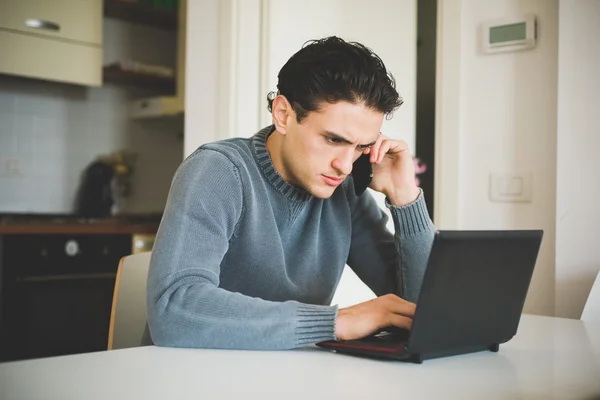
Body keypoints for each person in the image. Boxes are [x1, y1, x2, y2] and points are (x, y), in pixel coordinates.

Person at [146, 36, 436, 350]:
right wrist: (335, 323)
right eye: (333, 139)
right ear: (283, 114)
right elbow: (172, 312)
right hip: (194, 379)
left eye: (361, 147)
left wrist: (404, 197)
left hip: (291, 378)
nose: (345, 165)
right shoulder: (218, 171)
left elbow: (420, 309)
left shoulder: (346, 192)